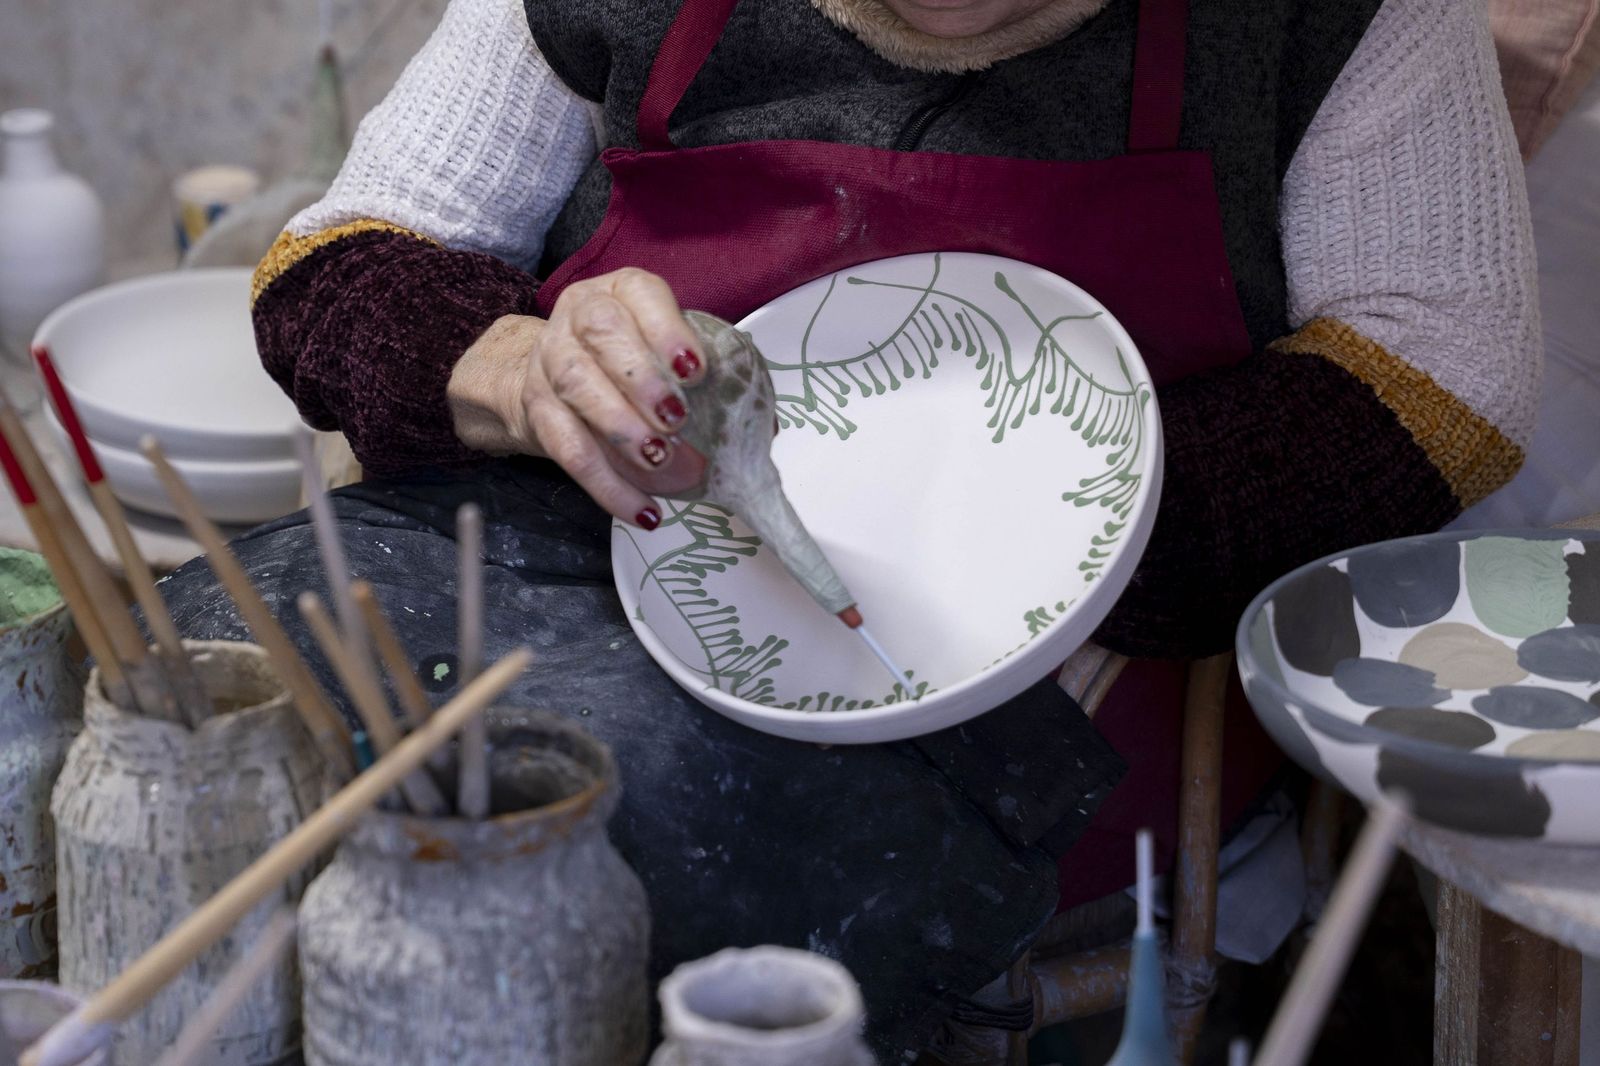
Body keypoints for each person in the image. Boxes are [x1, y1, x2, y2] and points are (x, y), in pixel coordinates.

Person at [164, 0, 1538, 1057]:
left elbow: (1449, 369)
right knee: (205, 709)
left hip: (1026, 681)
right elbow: (340, 262)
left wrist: (1052, 502)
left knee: (591, 867)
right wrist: (522, 369)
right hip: (574, 549)